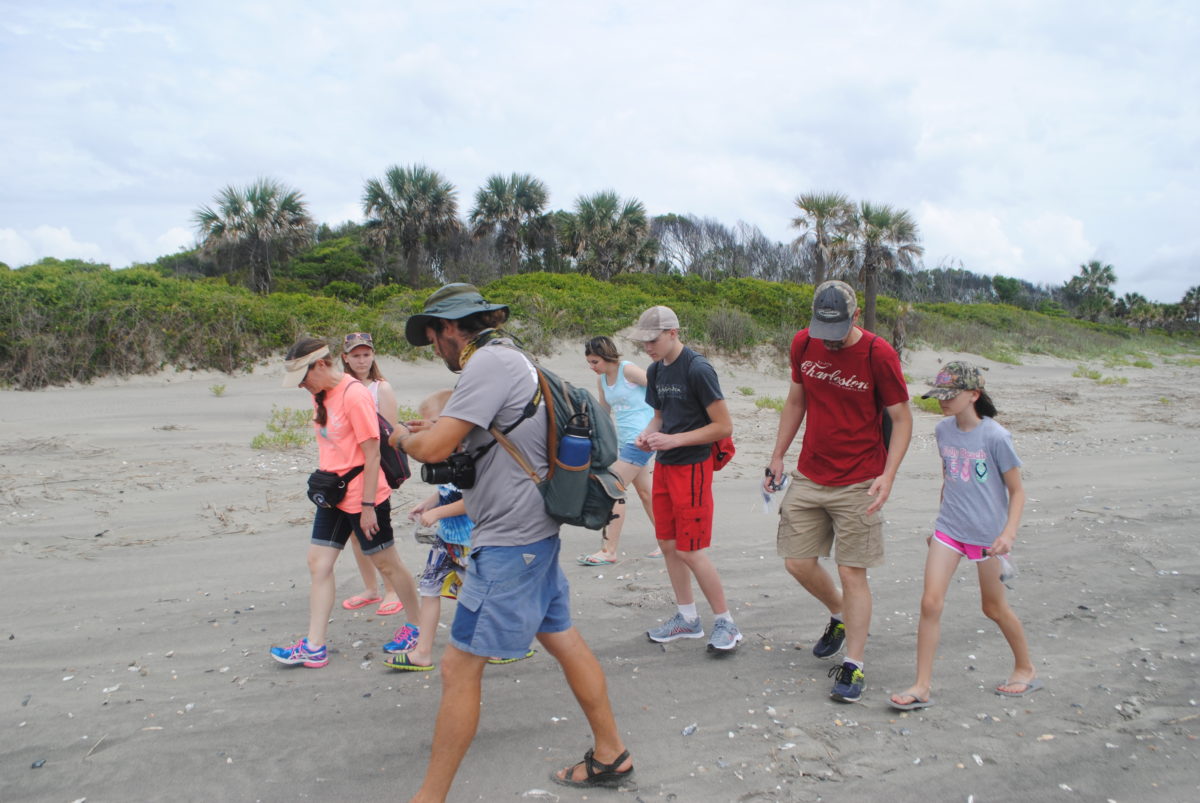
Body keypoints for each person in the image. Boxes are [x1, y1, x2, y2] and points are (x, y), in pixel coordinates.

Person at [390, 284, 632, 801]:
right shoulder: (511, 358)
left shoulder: (487, 364)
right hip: (532, 535)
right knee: (562, 637)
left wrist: (403, 439)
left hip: (509, 543)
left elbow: (432, 448)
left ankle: (427, 798)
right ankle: (611, 752)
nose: (435, 347)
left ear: (452, 328)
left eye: (434, 335)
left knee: (457, 667)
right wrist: (435, 431)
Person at [763, 280, 912, 702]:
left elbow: (902, 419)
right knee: (796, 562)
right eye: (820, 330)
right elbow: (796, 401)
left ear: (855, 317)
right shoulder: (803, 344)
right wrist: (778, 456)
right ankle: (840, 614)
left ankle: (854, 665)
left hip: (861, 478)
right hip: (811, 473)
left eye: (836, 331)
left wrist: (889, 473)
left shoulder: (877, 354)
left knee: (852, 572)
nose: (826, 342)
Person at [889, 362, 1036, 710]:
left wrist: (1008, 534)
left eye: (950, 396)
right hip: (949, 530)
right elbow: (949, 480)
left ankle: (1025, 667)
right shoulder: (943, 431)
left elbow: (1017, 492)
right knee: (930, 603)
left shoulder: (996, 437)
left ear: (974, 395)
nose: (942, 402)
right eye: (939, 396)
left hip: (989, 537)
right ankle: (922, 685)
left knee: (994, 608)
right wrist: (937, 528)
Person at [269, 338, 422, 669]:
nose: (302, 386)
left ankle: (416, 626)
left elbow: (372, 453)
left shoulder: (355, 396)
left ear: (321, 365)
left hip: (365, 496)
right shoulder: (320, 394)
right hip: (333, 493)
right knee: (318, 564)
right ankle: (314, 647)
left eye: (303, 377)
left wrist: (368, 506)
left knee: (387, 565)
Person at [383, 390, 535, 672]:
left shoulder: (475, 455)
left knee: (487, 595)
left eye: (435, 424)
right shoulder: (444, 456)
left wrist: (437, 513)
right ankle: (423, 652)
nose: (430, 433)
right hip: (445, 541)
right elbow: (447, 492)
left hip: (471, 541)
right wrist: (427, 504)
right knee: (429, 589)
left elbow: (474, 501)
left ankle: (512, 642)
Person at [632, 306, 741, 653]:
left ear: (673, 333)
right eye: (643, 341)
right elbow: (660, 417)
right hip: (664, 464)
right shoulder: (655, 370)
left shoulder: (698, 369)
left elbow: (723, 427)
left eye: (653, 339)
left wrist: (674, 440)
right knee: (667, 544)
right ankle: (687, 618)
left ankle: (726, 622)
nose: (647, 347)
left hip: (693, 467)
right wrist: (646, 436)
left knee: (690, 550)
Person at [339, 332, 405, 616]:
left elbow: (387, 434)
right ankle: (371, 588)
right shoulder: (340, 387)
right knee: (355, 534)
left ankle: (393, 590)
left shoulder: (381, 388)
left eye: (366, 354)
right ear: (345, 357)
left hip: (372, 467)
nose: (362, 360)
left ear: (373, 356)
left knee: (377, 532)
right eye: (356, 355)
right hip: (347, 470)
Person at [578, 335, 658, 565]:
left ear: (606, 357)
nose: (592, 367)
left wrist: (658, 421)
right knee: (645, 494)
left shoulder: (628, 370)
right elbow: (604, 412)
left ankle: (609, 550)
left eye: (595, 362)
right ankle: (669, 541)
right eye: (589, 363)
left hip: (642, 438)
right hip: (624, 442)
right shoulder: (602, 380)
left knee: (612, 487)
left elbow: (659, 389)